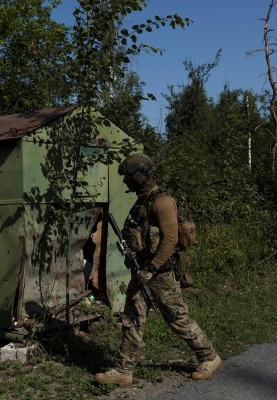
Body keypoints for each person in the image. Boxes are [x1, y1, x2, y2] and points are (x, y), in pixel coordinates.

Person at [95, 154, 222, 387]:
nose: (125, 182)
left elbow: (170, 239)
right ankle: (124, 371)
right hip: (142, 270)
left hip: (159, 273)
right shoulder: (142, 200)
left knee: (177, 318)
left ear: (140, 175)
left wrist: (151, 269)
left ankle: (209, 357)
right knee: (132, 318)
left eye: (128, 177)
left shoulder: (162, 201)